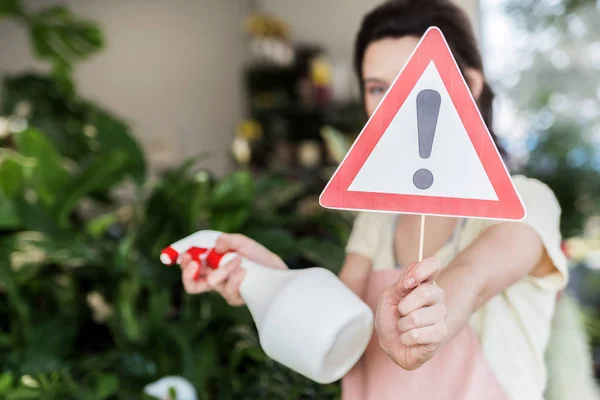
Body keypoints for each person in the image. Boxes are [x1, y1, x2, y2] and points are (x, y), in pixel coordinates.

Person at [179, 1, 586, 399]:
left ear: (471, 86)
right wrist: (270, 279)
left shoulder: (528, 200)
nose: (395, 107)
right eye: (378, 88)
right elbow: (333, 326)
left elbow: (472, 283)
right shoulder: (376, 219)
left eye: (412, 82)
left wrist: (434, 319)